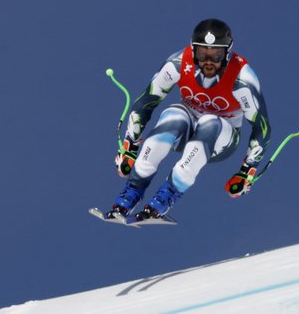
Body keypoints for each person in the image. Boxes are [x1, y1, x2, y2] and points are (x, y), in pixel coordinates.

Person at [106, 18, 271, 221]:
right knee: (174, 114)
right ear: (193, 50)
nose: (208, 61)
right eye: (202, 53)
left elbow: (261, 126)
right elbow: (147, 101)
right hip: (185, 128)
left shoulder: (242, 78)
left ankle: (164, 199)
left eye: (216, 54)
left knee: (211, 121)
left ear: (227, 53)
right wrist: (130, 145)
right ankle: (130, 194)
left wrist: (247, 169)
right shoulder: (178, 63)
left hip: (220, 140)